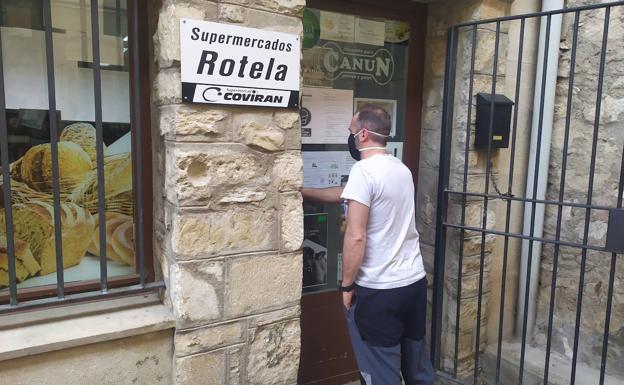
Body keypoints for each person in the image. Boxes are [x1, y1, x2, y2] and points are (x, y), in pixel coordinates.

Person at [302, 105, 434, 385]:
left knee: (380, 373)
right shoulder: (399, 168)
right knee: (417, 369)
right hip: (413, 285)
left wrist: (347, 286)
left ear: (362, 134)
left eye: (350, 131)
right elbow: (348, 195)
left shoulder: (364, 171)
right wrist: (303, 191)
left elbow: (355, 236)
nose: (349, 136)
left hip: (379, 291)